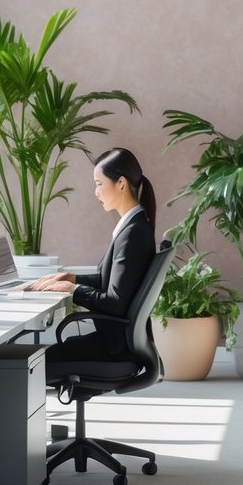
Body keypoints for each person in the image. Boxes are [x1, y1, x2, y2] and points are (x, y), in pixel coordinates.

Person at [30, 146, 156, 366]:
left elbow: (115, 302)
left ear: (121, 183)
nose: (95, 192)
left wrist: (74, 291)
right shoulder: (133, 226)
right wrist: (73, 278)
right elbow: (112, 282)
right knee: (32, 363)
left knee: (30, 367)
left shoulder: (132, 234)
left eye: (99, 184)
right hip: (118, 342)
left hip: (113, 348)